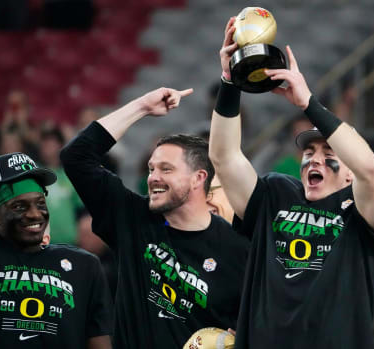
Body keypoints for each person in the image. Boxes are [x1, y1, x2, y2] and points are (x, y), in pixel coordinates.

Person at [209, 17, 374, 348]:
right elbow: (223, 157)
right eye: (309, 150)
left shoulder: (369, 206)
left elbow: (370, 170)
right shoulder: (275, 193)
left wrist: (308, 105)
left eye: (328, 150)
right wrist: (229, 83)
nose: (315, 158)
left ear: (349, 171)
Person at [60, 87, 249, 349]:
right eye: (151, 169)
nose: (153, 177)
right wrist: (142, 108)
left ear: (199, 178)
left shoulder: (239, 251)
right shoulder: (132, 218)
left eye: (166, 169)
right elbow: (75, 157)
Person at [0, 152, 112, 348]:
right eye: (19, 206)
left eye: (40, 203)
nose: (35, 214)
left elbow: (99, 341)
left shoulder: (85, 266)